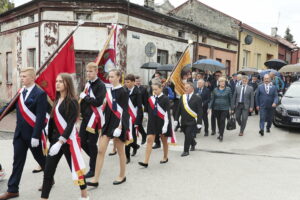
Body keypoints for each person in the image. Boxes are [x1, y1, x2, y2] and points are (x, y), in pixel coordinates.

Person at [0, 67, 47, 200]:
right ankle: (13, 190)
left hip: (33, 135)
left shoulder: (40, 94)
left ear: (33, 78)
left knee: (41, 159)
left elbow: (40, 116)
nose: (22, 78)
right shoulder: (20, 92)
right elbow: (8, 107)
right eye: (21, 76)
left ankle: (49, 178)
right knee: (17, 161)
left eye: (25, 76)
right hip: (20, 134)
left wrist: (36, 135)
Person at [41, 73, 88, 200]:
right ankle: (43, 198)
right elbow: (54, 119)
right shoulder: (57, 100)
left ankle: (84, 194)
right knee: (48, 171)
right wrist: (47, 130)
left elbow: (70, 125)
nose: (57, 83)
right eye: (56, 81)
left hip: (67, 142)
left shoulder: (72, 102)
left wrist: (61, 142)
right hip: (55, 141)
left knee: (76, 169)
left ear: (67, 84)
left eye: (61, 81)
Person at [87, 69, 129, 187]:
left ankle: (122, 175)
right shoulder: (109, 91)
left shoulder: (123, 91)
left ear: (118, 77)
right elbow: (105, 109)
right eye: (109, 77)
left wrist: (120, 127)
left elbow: (125, 111)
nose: (110, 79)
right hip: (108, 124)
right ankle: (95, 179)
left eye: (112, 77)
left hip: (118, 124)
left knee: (121, 151)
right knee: (100, 150)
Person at [79, 62, 106, 179]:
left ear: (96, 72)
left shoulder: (101, 85)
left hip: (94, 119)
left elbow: (98, 102)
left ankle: (93, 168)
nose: (88, 74)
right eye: (87, 71)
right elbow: (84, 101)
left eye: (90, 71)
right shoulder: (88, 84)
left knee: (91, 143)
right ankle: (95, 159)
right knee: (82, 141)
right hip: (85, 117)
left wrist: (86, 97)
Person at [138, 82, 171, 167]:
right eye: (153, 89)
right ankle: (145, 162)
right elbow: (147, 107)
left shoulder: (165, 98)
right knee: (149, 140)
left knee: (164, 141)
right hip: (152, 122)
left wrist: (165, 126)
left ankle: (165, 156)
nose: (154, 91)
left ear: (161, 88)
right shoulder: (151, 98)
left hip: (163, 122)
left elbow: (167, 113)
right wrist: (145, 113)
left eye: (156, 89)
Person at [175, 82, 203, 156]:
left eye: (187, 88)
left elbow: (200, 111)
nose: (185, 89)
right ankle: (193, 143)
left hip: (192, 121)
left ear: (192, 88)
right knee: (187, 134)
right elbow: (178, 109)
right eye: (185, 87)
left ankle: (186, 151)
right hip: (183, 121)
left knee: (188, 134)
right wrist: (176, 119)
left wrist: (199, 122)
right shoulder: (183, 97)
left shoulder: (197, 97)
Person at [124, 74, 143, 164]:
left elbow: (140, 107)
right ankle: (134, 147)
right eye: (125, 82)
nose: (126, 84)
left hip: (133, 116)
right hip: (125, 116)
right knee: (126, 135)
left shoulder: (137, 92)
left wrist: (138, 120)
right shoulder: (124, 90)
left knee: (132, 135)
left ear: (133, 82)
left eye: (128, 82)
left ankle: (130, 152)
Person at [208, 77, 232, 142]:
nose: (222, 83)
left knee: (222, 120)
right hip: (216, 108)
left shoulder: (228, 89)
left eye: (223, 81)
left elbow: (231, 99)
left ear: (225, 82)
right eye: (221, 82)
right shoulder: (215, 90)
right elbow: (212, 99)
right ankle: (220, 132)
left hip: (225, 108)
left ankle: (221, 135)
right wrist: (209, 108)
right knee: (218, 121)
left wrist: (231, 108)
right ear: (219, 83)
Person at [135, 76, 148, 145]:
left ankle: (143, 135)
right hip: (133, 109)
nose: (138, 82)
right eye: (136, 81)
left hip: (141, 108)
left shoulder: (143, 89)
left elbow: (146, 101)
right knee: (136, 124)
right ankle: (143, 135)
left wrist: (146, 111)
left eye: (139, 81)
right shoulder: (132, 88)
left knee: (138, 123)